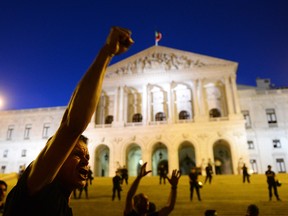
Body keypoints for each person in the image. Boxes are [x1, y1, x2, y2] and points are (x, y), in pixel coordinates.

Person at [3, 26, 133, 216]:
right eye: (78, 155)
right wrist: (107, 53)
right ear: (58, 155)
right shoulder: (36, 187)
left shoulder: (60, 202)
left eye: (87, 158)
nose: (86, 162)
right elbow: (72, 125)